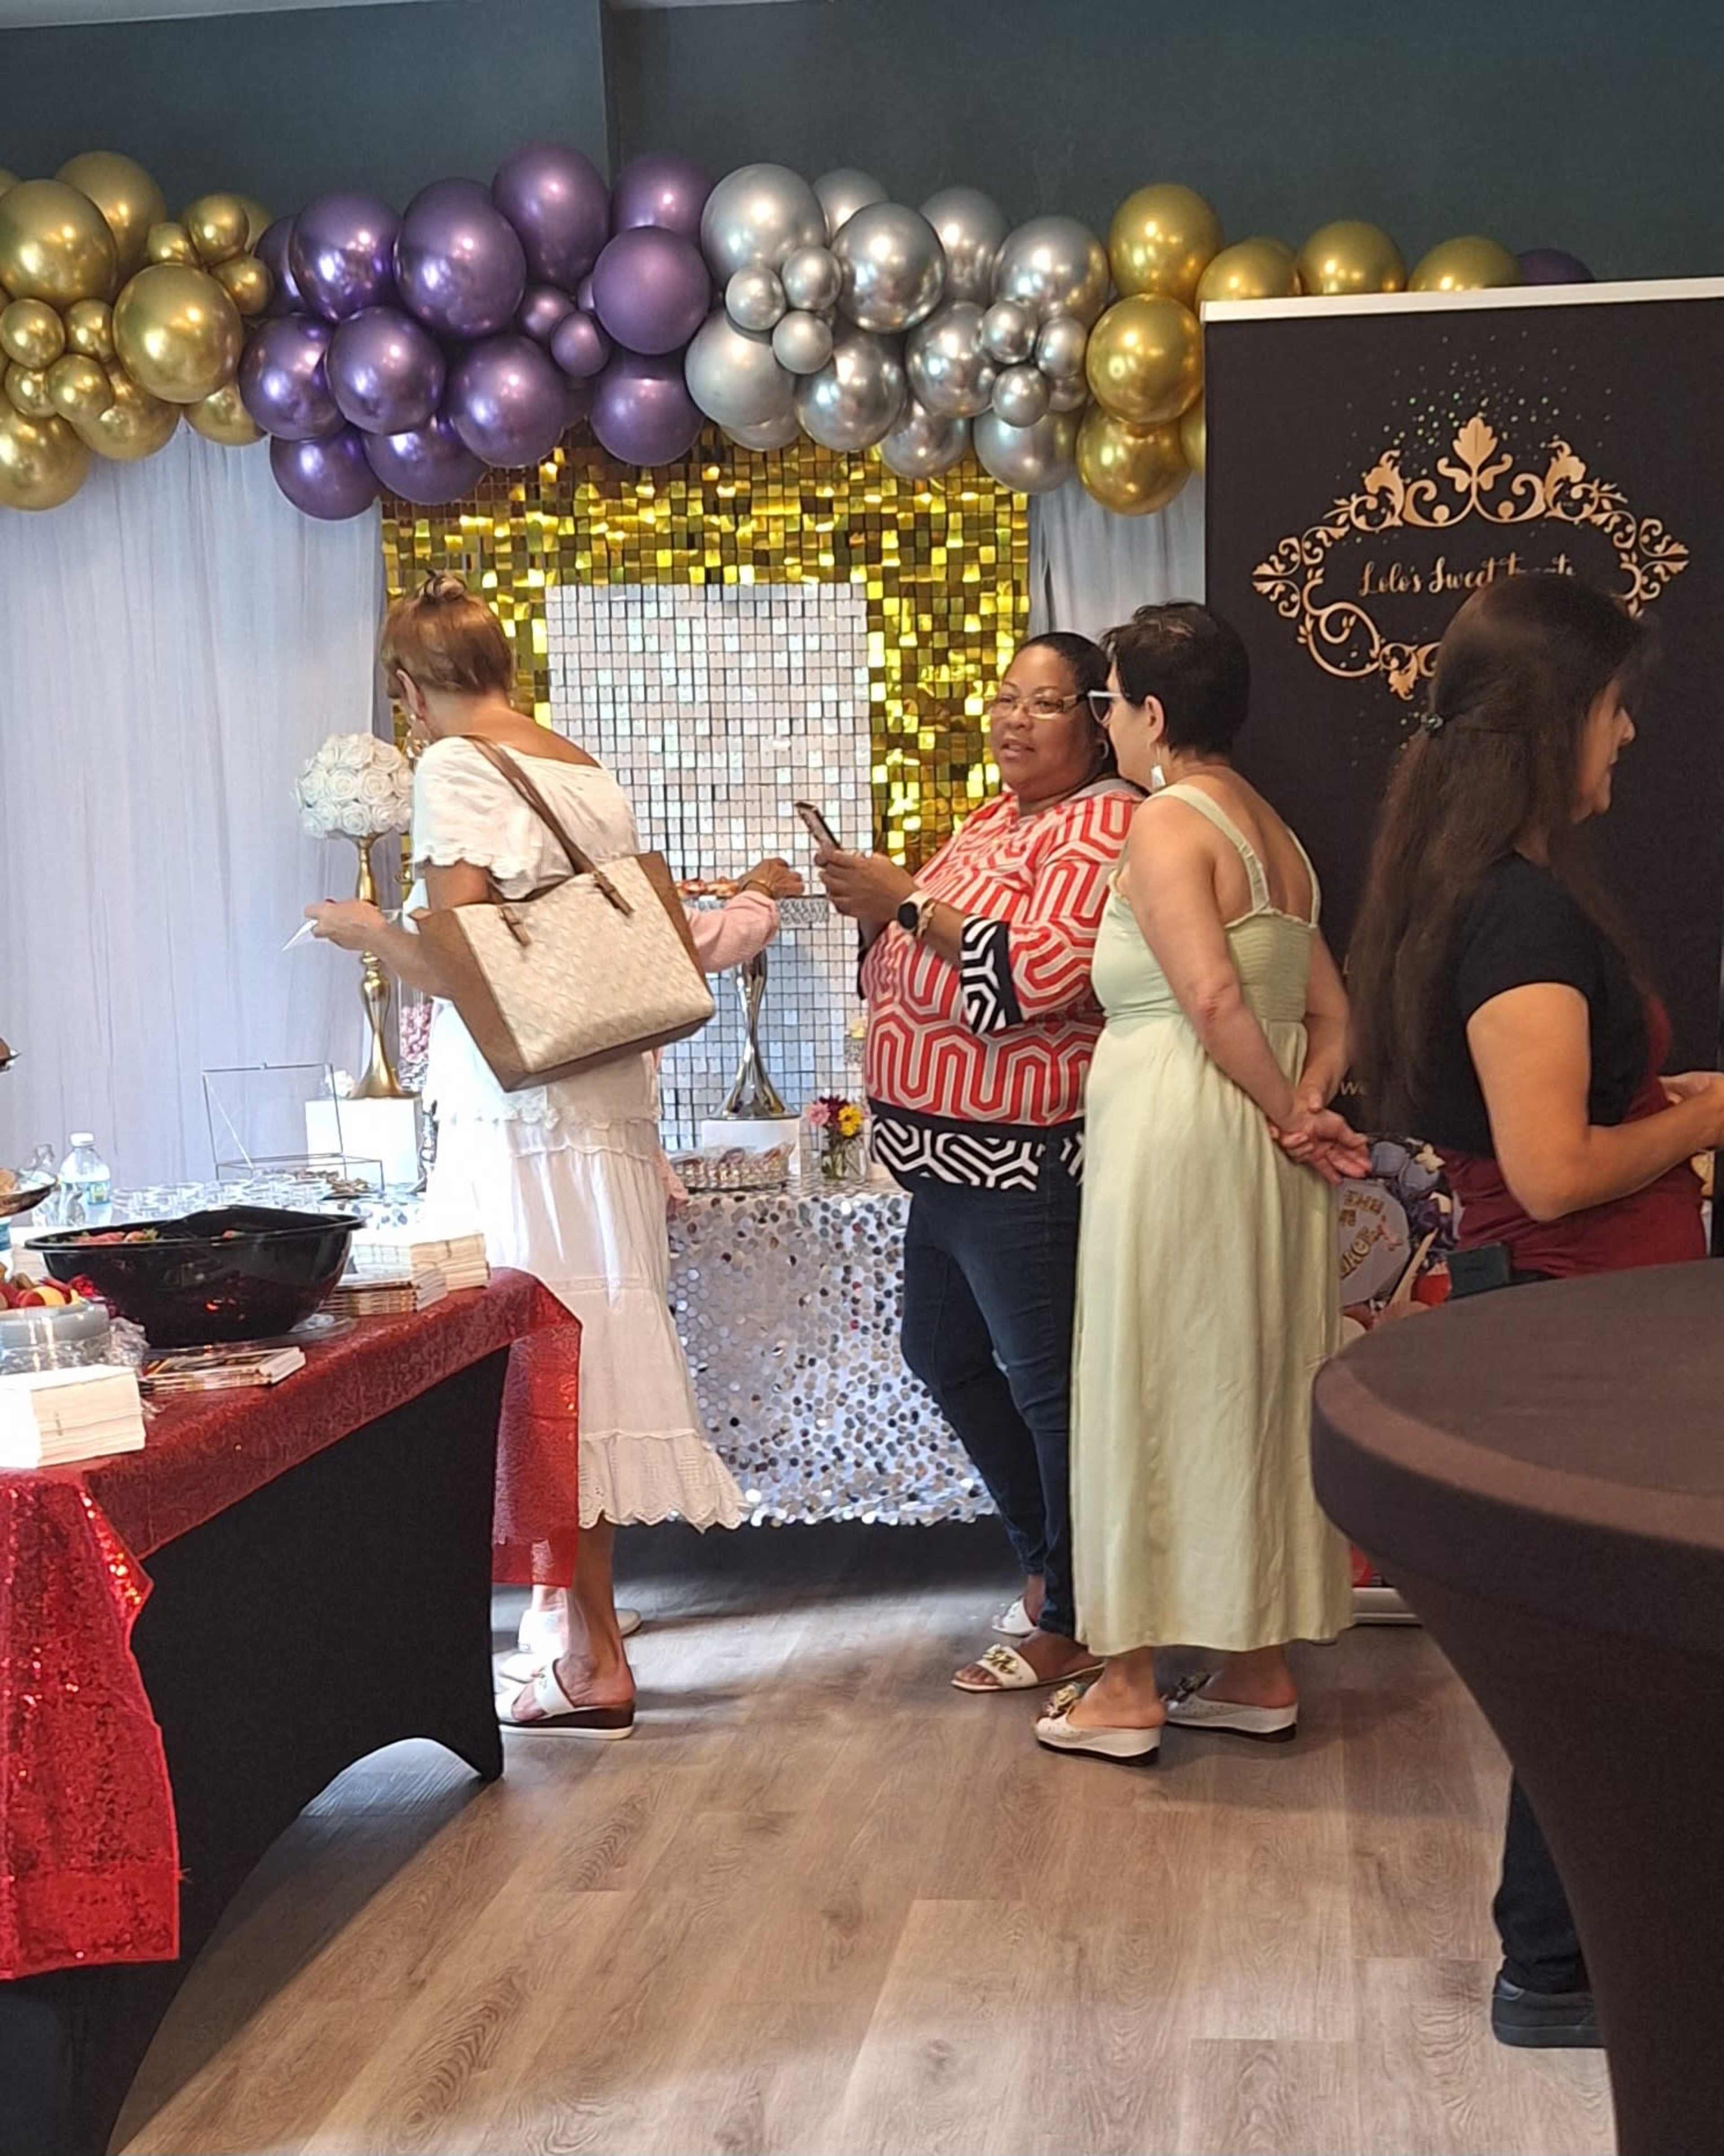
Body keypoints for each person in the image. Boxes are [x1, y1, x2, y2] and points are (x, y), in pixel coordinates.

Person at [308, 572, 796, 1738]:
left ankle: (588, 1649)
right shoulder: (578, 763)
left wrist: (373, 933)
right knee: (586, 1340)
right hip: (605, 1095)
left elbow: (471, 957)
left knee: (534, 1358)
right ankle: (574, 1633)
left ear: (413, 687)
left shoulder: (451, 766)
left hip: (518, 1105)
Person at [1346, 571, 1724, 2047]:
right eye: (1617, 707)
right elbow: (1558, 1171)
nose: (1628, 737)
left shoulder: (1481, 893)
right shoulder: (1518, 915)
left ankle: (1565, 1961)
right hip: (1578, 1315)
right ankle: (1561, 1968)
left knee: (1602, 1659)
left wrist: (1663, 1104)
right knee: (1613, 1667)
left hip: (1567, 1313)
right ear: (1558, 717)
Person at [1036, 602, 1366, 1768]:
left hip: (1184, 1132)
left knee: (1151, 1376)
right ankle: (1254, 1664)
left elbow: (1213, 1000)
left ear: (1155, 712)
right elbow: (1330, 1011)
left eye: (1108, 701)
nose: (1104, 723)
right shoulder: (1274, 831)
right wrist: (1308, 1108)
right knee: (1245, 1377)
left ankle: (1127, 1683)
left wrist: (1293, 1111)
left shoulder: (1170, 821)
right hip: (1264, 1154)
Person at [819, 632, 1139, 1695]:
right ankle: (1048, 1568)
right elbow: (929, 950)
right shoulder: (996, 817)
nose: (1013, 718)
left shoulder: (1106, 821)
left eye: (1042, 703)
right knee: (943, 1355)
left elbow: (1042, 973)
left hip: (1025, 1162)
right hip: (939, 1163)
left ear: (1096, 720)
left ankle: (1085, 1612)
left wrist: (906, 899)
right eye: (1004, 697)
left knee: (1049, 1392)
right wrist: (883, 914)